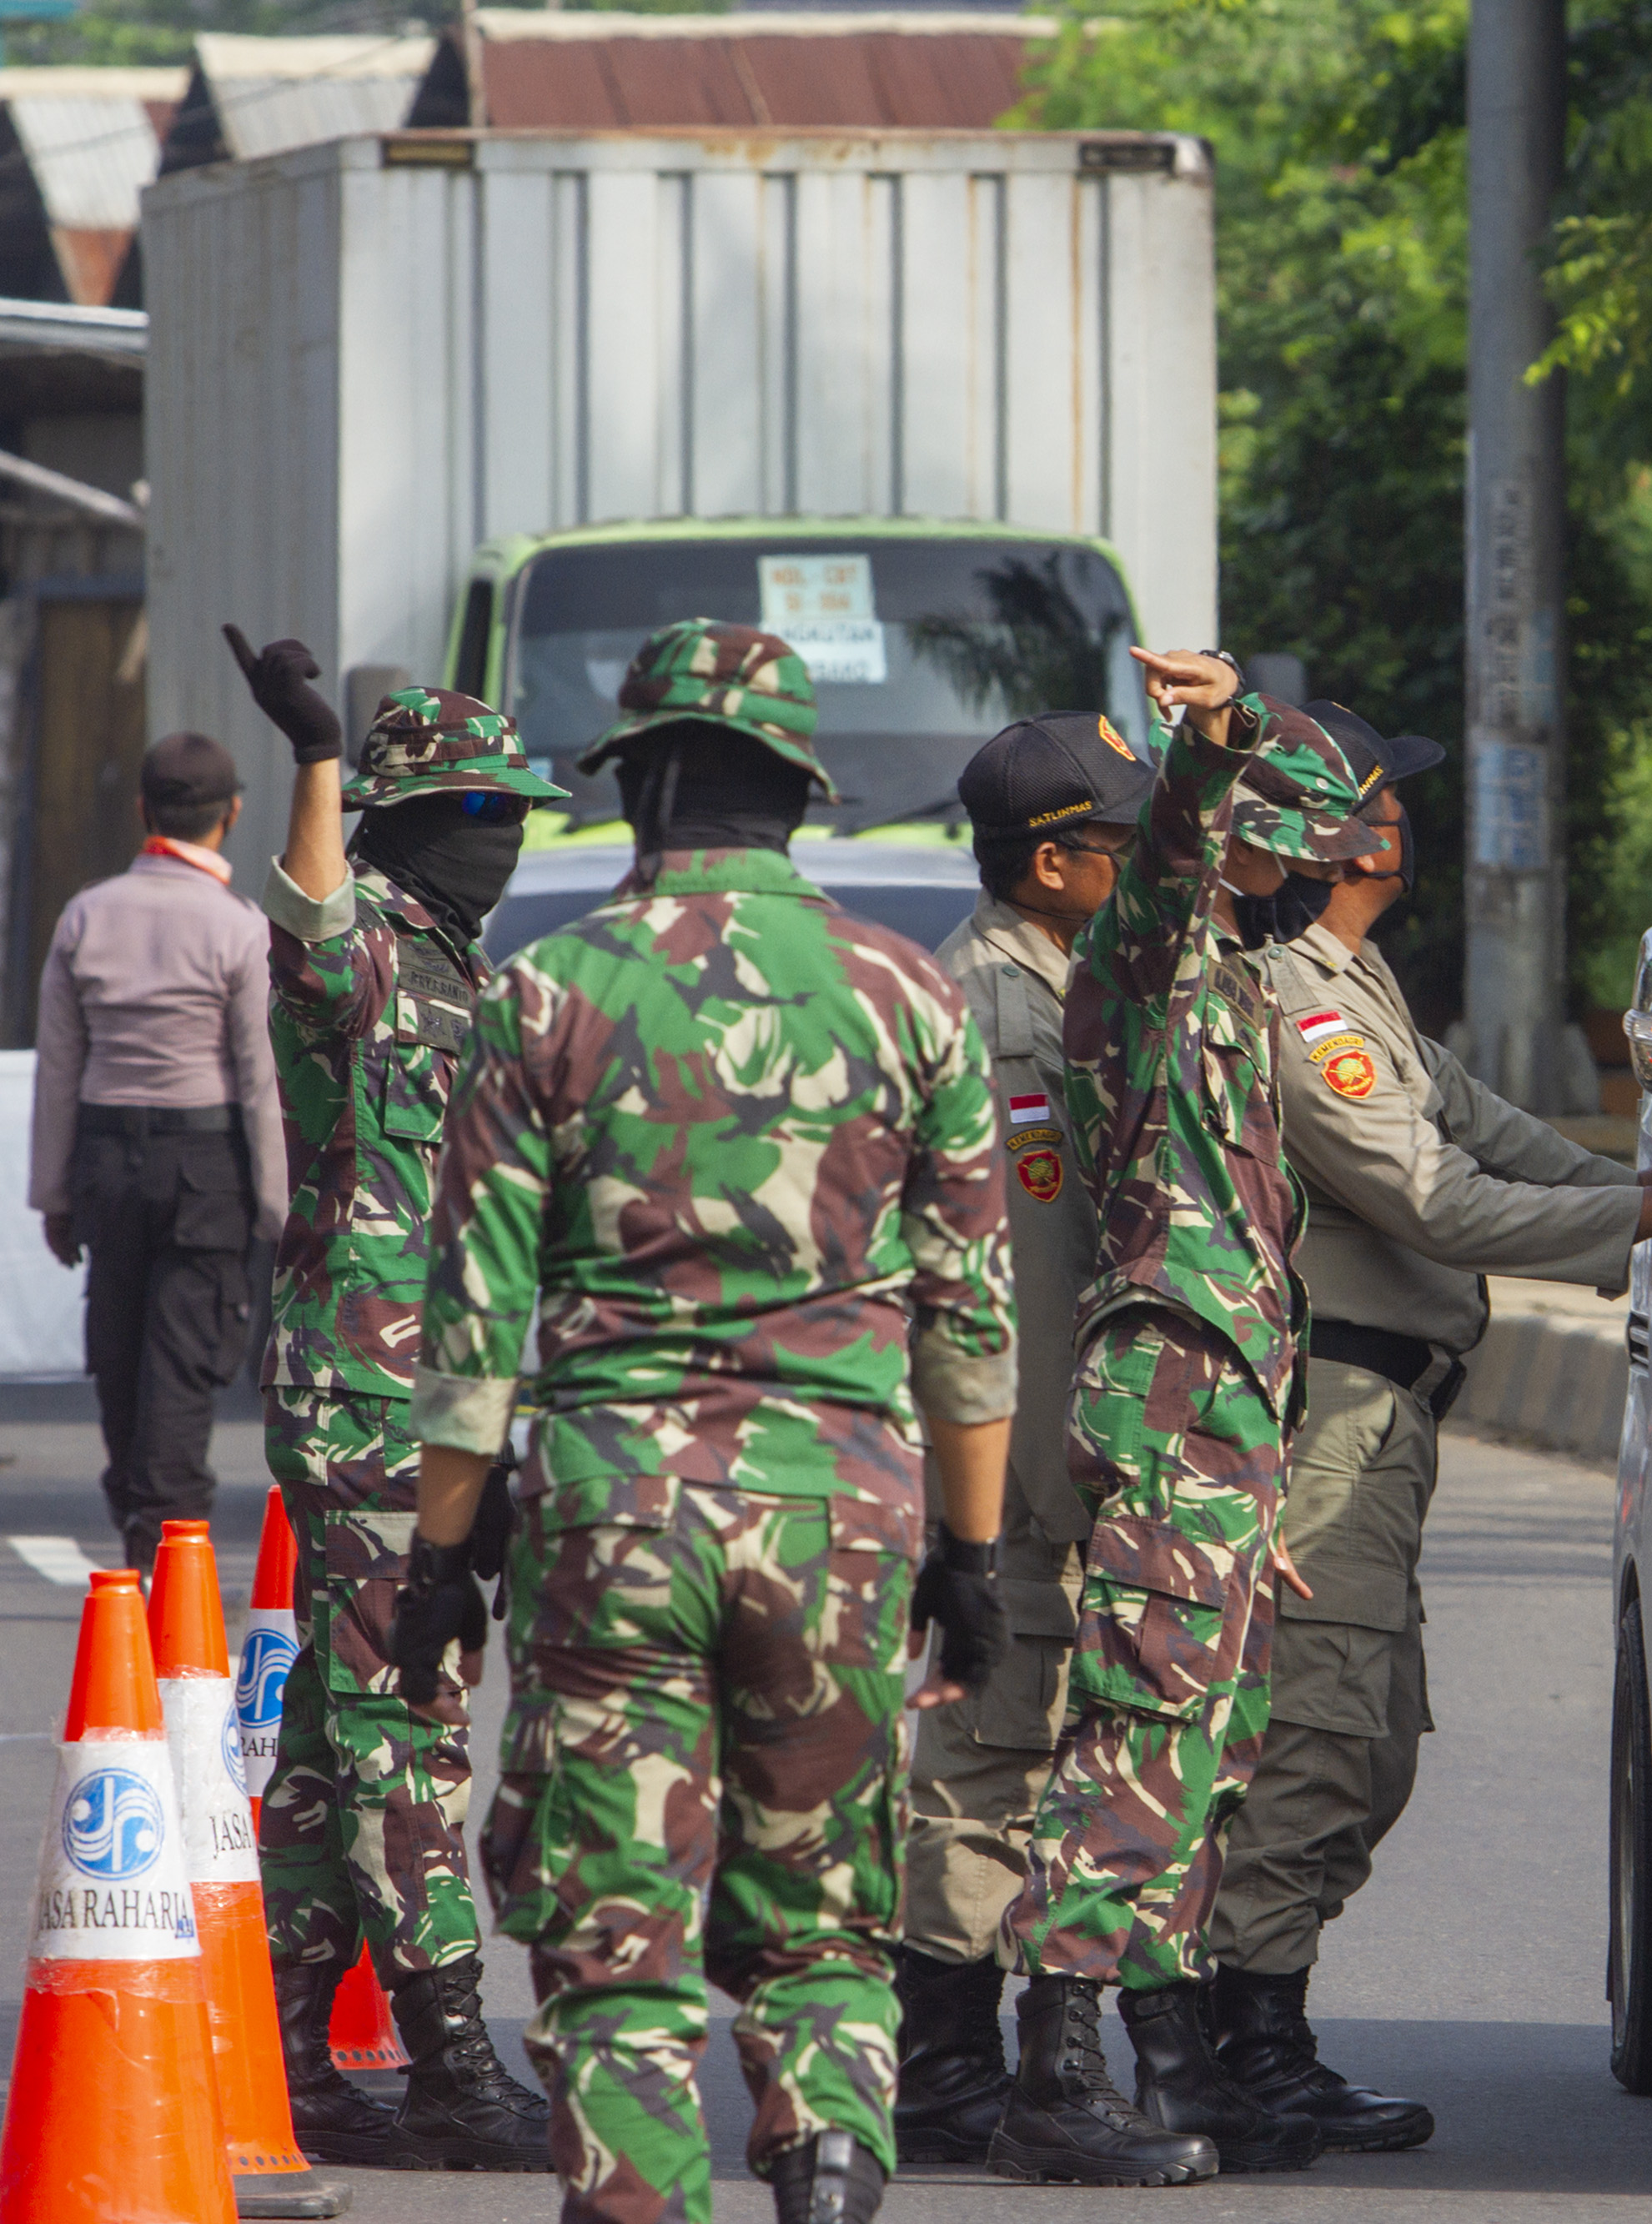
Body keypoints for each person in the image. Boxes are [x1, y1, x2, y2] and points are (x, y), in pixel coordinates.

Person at [391, 618, 1019, 2224]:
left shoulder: (547, 990)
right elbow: (970, 1324)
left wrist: (443, 1559)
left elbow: (473, 1323)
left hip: (613, 1512)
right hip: (842, 1514)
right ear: (798, 795)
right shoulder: (910, 995)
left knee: (616, 1928)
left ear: (646, 783)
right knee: (824, 1914)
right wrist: (970, 1555)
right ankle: (829, 2160)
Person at [1213, 701, 1652, 2148]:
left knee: (1369, 1739)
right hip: (1327, 1411)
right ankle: (1242, 2042)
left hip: (1379, 1414)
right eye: (1383, 799)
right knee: (1320, 1734)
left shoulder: (1354, 978)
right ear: (1339, 840)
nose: (1404, 818)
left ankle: (1248, 2020)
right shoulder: (1298, 1004)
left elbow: (1490, 1131)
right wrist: (1644, 1212)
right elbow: (1432, 1197)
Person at [987, 651, 1388, 2189]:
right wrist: (1214, 737)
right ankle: (1055, 2069)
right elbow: (1166, 855)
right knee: (1137, 1733)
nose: (1315, 872)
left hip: (1222, 1415)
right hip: (1170, 1398)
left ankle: (1170, 2064)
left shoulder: (1230, 980)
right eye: (1288, 845)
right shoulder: (1151, 958)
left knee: (1206, 1749)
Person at [227, 630, 562, 2172]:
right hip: (369, 1396)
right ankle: (448, 2059)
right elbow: (304, 922)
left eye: (516, 814)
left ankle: (286, 2048)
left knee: (326, 1736)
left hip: (438, 1401)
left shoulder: (464, 968)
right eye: (480, 812)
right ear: (412, 818)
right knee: (408, 1718)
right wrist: (314, 756)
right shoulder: (367, 946)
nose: (504, 839)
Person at [893, 710, 1155, 2166]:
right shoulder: (999, 1011)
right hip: (1017, 1468)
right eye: (1121, 842)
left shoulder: (1053, 982)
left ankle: (963, 2064)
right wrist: (1024, 1500)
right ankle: (943, 2071)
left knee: (1023, 1749)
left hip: (1036, 1465)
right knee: (988, 1758)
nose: (1140, 865)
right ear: (1051, 862)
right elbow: (1019, 1286)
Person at [28, 729, 288, 1566]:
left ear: (145, 810)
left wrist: (54, 1196)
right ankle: (164, 1550)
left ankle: (139, 1519)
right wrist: (279, 1215)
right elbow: (259, 1079)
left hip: (106, 1163)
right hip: (207, 1171)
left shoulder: (86, 915)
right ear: (231, 814)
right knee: (182, 1360)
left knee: (118, 1351)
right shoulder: (239, 928)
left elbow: (60, 1068)